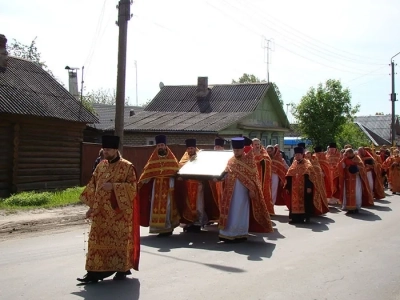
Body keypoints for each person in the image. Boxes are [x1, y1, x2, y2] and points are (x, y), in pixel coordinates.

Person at [77, 135, 140, 283]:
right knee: (95, 244)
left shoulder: (127, 167)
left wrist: (114, 186)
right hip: (100, 214)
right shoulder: (101, 165)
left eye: (108, 149)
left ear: (115, 150)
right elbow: (93, 186)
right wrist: (91, 208)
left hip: (119, 216)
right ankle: (92, 274)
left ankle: (122, 269)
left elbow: (133, 189)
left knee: (119, 245)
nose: (105, 151)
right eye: (104, 149)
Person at [219, 137, 273, 242]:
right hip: (230, 193)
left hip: (243, 192)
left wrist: (252, 190)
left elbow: (254, 178)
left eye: (238, 150)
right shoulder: (231, 160)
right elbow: (226, 172)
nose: (236, 152)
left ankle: (240, 233)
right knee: (230, 211)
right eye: (234, 150)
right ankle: (227, 232)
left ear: (243, 149)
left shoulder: (249, 161)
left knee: (241, 211)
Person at [138, 135, 180, 237]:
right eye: (158, 145)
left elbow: (176, 172)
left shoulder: (171, 159)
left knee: (168, 208)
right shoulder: (153, 159)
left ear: (165, 146)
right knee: (154, 207)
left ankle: (168, 228)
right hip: (156, 188)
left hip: (168, 187)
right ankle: (158, 228)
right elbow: (147, 172)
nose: (160, 147)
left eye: (162, 145)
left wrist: (172, 184)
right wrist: (141, 183)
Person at [284, 147, 326, 224]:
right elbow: (288, 176)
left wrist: (309, 187)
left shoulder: (307, 164)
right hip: (294, 188)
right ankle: (294, 218)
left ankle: (305, 217)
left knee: (305, 202)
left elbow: (310, 176)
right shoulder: (293, 164)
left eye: (299, 155)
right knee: (294, 203)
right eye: (296, 155)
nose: (297, 156)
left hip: (304, 187)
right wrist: (287, 187)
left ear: (302, 155)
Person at [178, 138, 208, 232]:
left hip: (198, 185)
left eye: (192, 148)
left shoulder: (201, 157)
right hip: (187, 185)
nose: (190, 150)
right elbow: (180, 166)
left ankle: (198, 223)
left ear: (195, 148)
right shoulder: (185, 157)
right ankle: (189, 222)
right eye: (189, 148)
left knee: (198, 204)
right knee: (188, 205)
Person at [338, 148, 373, 214]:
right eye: (345, 154)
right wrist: (343, 162)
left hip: (356, 179)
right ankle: (348, 207)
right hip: (347, 179)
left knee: (356, 192)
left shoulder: (357, 158)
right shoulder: (345, 159)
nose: (346, 155)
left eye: (347, 154)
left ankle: (356, 206)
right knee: (347, 193)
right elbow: (340, 166)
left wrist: (356, 169)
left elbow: (362, 167)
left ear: (351, 153)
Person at [252, 138, 274, 215]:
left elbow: (268, 161)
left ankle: (266, 211)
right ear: (252, 145)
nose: (257, 146)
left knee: (264, 193)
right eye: (255, 144)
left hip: (263, 178)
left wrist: (259, 156)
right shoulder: (249, 153)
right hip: (253, 177)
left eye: (258, 144)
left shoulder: (264, 153)